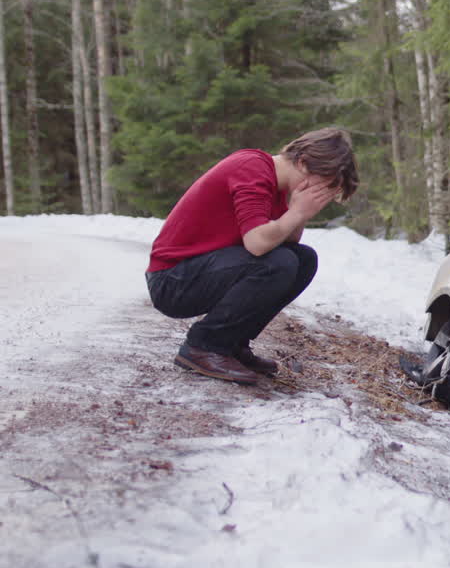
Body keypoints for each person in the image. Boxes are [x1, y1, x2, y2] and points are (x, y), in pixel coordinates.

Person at [145, 128, 359, 385]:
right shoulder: (252, 169)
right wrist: (298, 211)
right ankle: (204, 346)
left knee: (303, 259)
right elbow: (257, 244)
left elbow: (288, 240)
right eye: (325, 186)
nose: (323, 197)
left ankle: (232, 343)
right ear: (303, 163)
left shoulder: (276, 185)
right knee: (278, 264)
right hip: (172, 280)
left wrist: (299, 212)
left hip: (199, 273)